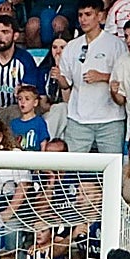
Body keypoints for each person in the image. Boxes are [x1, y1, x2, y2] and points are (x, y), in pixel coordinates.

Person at [58, 0, 128, 154]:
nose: (83, 19)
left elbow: (125, 79)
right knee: (73, 169)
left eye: (88, 14)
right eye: (80, 15)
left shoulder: (116, 45)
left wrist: (102, 76)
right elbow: (66, 83)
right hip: (78, 118)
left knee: (112, 169)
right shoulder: (71, 46)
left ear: (100, 16)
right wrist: (58, 77)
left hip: (110, 119)